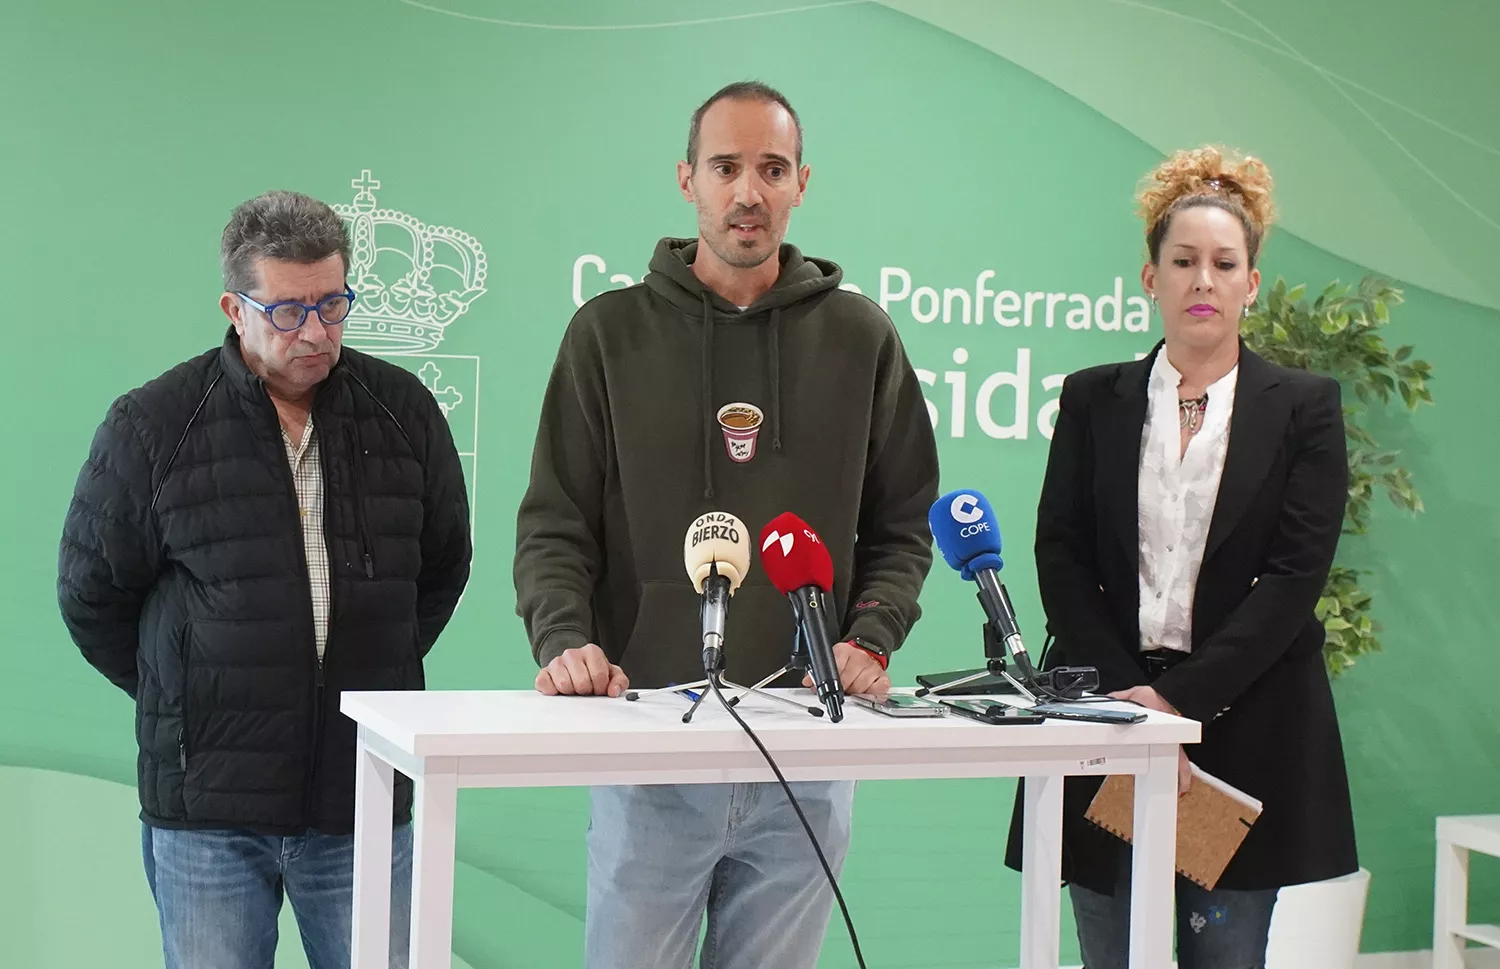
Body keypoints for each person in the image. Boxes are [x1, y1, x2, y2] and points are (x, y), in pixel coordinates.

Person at [513, 80, 940, 969]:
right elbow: (556, 522)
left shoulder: (862, 337)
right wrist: (563, 638)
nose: (749, 191)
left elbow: (903, 522)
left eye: (771, 168)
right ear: (687, 179)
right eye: (727, 167)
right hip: (651, 744)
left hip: (807, 748)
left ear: (801, 183)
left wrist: (871, 634)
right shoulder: (608, 334)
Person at [57, 190, 472, 969]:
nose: (315, 332)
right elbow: (92, 594)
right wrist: (186, 693)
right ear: (234, 306)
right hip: (206, 811)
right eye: (287, 311)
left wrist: (359, 668)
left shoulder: (404, 413)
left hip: (364, 797)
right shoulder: (153, 424)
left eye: (334, 303)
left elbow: (443, 565)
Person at [1004, 146, 1358, 968]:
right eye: (1184, 261)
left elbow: (1294, 578)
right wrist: (1135, 704)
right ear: (1150, 278)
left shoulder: (1305, 407)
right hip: (1108, 716)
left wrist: (1176, 703)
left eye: (1224, 263)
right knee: (1109, 953)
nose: (1203, 279)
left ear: (1251, 283)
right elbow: (1059, 552)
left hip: (1244, 725)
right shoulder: (1094, 397)